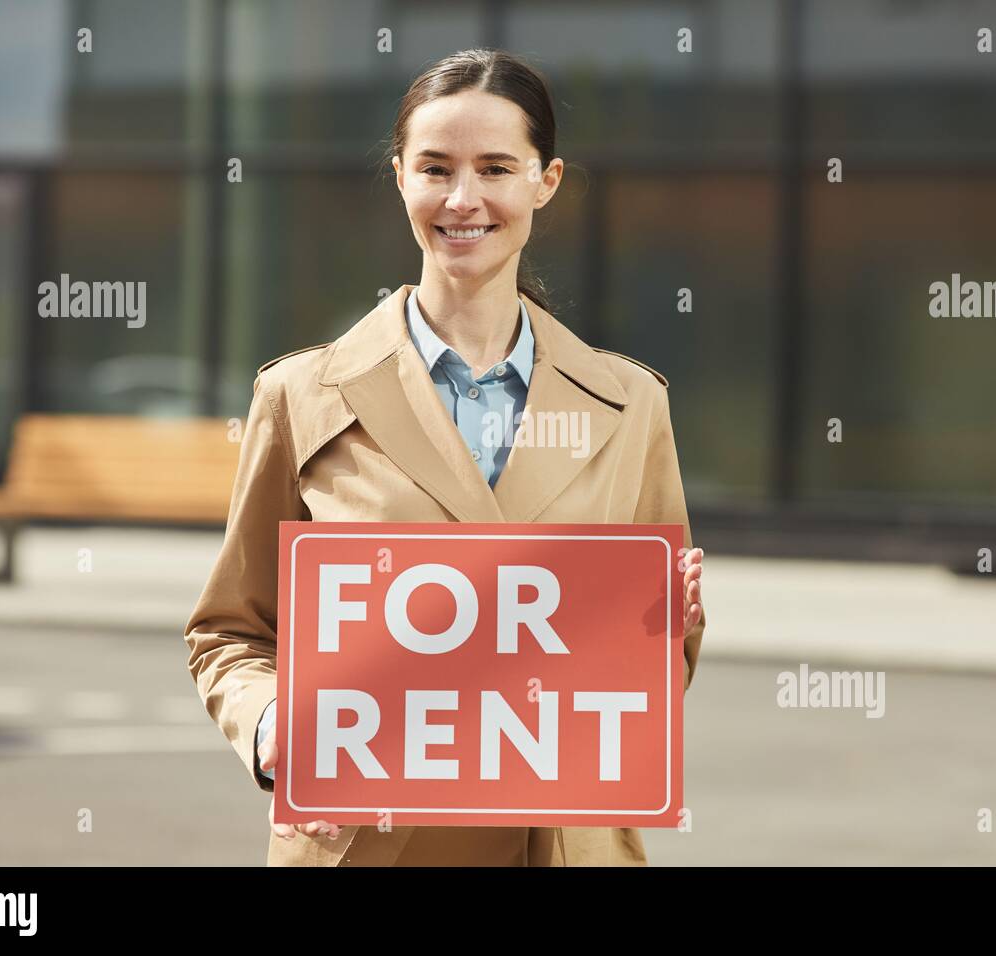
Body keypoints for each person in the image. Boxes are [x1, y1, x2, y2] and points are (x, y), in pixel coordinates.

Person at [184, 48, 706, 866]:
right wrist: (272, 723)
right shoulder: (300, 396)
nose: (464, 199)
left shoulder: (632, 405)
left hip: (562, 846)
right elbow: (230, 630)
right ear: (401, 178)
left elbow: (644, 679)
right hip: (366, 841)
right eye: (436, 168)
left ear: (548, 180)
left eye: (497, 167)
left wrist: (669, 625)